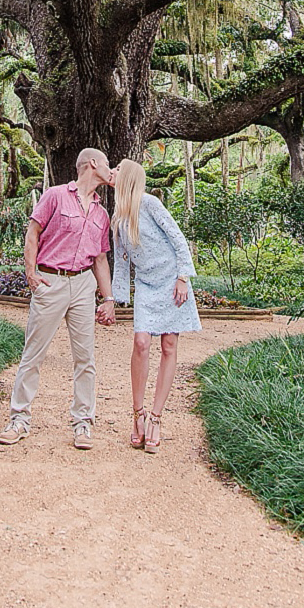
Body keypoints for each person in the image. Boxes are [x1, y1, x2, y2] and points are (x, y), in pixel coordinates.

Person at [0, 147, 116, 450]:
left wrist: (108, 299)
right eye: (107, 164)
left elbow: (100, 259)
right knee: (33, 354)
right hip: (50, 281)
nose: (110, 169)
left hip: (83, 286)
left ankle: (83, 424)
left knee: (85, 359)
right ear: (93, 164)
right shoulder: (54, 195)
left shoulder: (102, 213)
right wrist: (30, 272)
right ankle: (19, 419)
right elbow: (33, 233)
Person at [111, 158, 201, 454]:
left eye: (117, 171)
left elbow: (178, 239)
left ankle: (156, 418)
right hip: (148, 286)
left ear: (128, 178)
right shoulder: (119, 217)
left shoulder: (150, 204)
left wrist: (183, 278)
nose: (113, 173)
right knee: (140, 343)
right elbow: (122, 265)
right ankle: (138, 415)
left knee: (169, 346)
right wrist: (116, 298)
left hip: (171, 280)